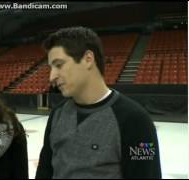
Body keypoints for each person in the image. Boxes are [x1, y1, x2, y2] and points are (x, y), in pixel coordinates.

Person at [35, 26, 161, 179]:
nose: (52, 77)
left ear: (88, 59)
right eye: (51, 68)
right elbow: (44, 171)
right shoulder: (57, 114)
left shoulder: (136, 121)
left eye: (59, 65)